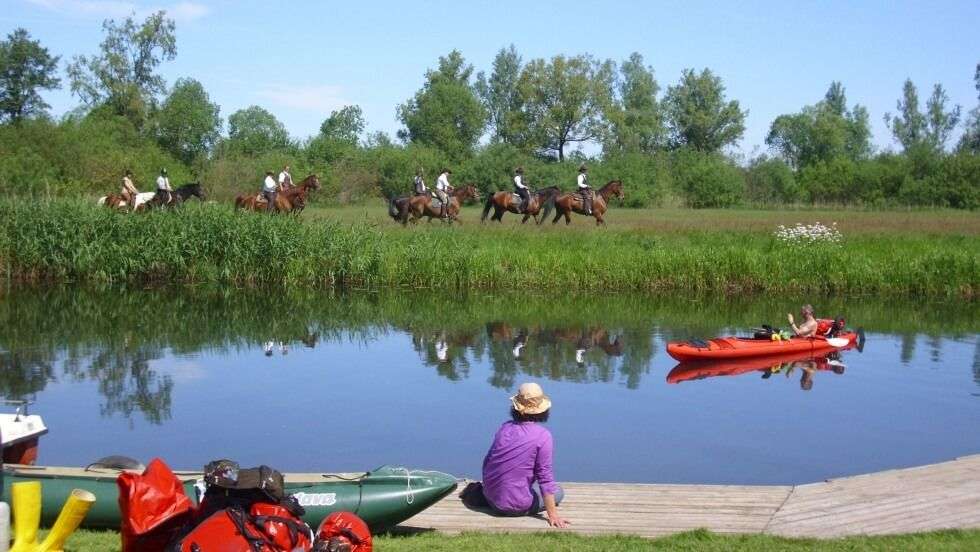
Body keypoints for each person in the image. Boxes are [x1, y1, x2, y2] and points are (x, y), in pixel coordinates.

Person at [482, 382, 568, 528]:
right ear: (542, 410)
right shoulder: (543, 436)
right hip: (515, 506)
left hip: (491, 498)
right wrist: (552, 515)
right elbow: (545, 478)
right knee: (558, 492)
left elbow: (488, 462)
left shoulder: (504, 428)